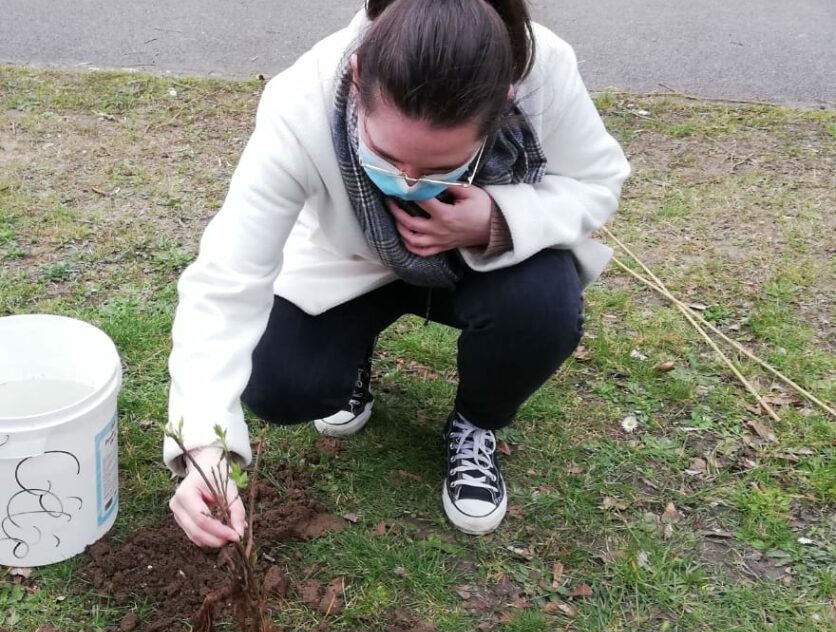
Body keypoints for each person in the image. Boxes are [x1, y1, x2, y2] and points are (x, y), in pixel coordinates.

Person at [164, 0, 630, 547]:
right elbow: (227, 277)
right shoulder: (301, 101)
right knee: (280, 383)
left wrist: (495, 218)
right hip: (352, 264)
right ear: (357, 79)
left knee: (544, 310)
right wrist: (203, 447)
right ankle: (351, 353)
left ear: (503, 102)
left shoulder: (540, 71)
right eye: (385, 156)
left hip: (483, 259)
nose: (408, 184)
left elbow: (598, 181)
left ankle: (475, 422)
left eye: (439, 167)